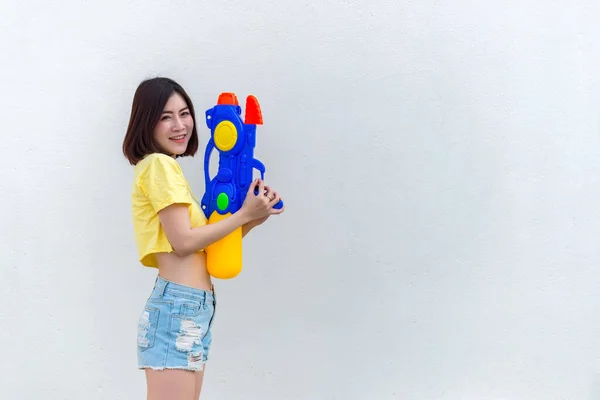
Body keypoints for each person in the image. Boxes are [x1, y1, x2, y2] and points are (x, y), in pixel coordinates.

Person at [122, 77, 284, 400]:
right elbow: (183, 241)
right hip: (177, 308)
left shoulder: (167, 170)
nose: (180, 125)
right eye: (166, 116)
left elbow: (202, 248)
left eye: (184, 113)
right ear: (146, 122)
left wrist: (254, 217)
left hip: (193, 308)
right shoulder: (158, 166)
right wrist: (242, 215)